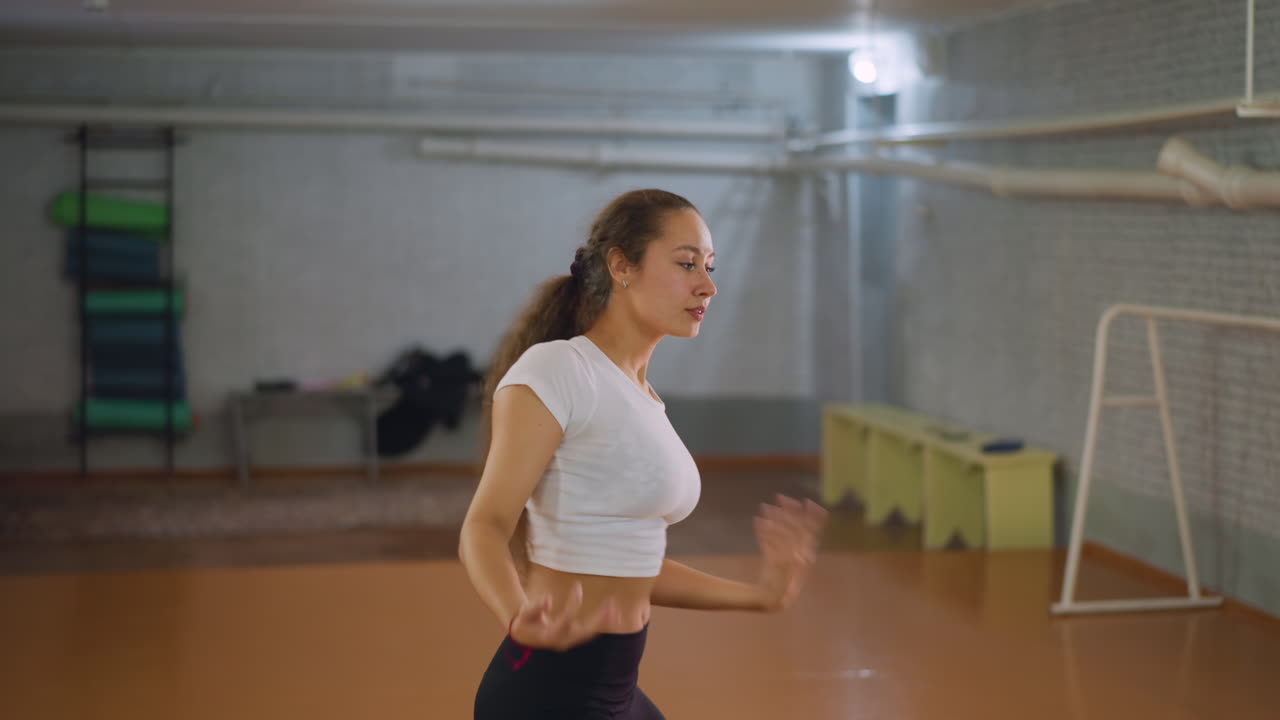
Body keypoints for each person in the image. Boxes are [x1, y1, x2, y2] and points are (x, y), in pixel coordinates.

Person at [459, 188, 828, 720]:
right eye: (686, 264)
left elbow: (631, 565)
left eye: (709, 265)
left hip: (615, 687)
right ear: (620, 266)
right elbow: (486, 524)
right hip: (549, 691)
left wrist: (760, 594)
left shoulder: (643, 398)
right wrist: (517, 614)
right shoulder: (560, 370)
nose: (708, 285)